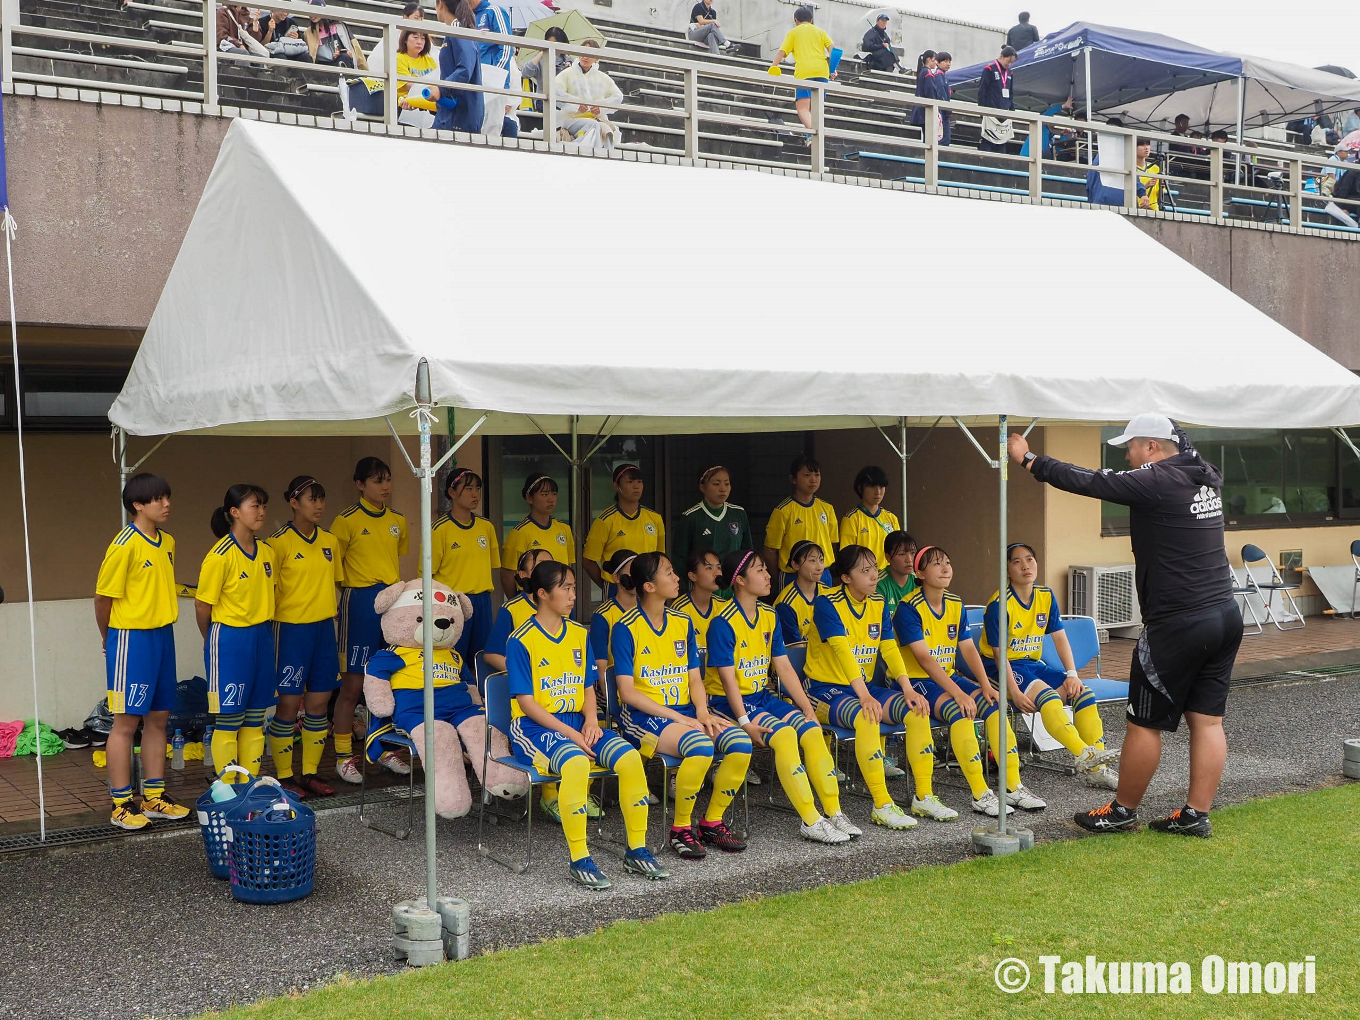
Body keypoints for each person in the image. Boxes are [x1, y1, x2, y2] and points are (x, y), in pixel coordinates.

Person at [1009, 414, 1244, 837]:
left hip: (1178, 622)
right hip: (1225, 614)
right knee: (1207, 721)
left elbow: (1090, 481)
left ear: (1152, 446)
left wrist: (1028, 460)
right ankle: (1196, 815)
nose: (1126, 456)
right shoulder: (1201, 473)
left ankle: (1122, 811)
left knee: (1143, 722)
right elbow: (1174, 447)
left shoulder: (1156, 479)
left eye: (1130, 447)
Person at [507, 561, 670, 887]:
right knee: (577, 763)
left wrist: (592, 722)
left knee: (630, 759)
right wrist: (571, 733)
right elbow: (527, 704)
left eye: (573, 587)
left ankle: (636, 851)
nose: (573, 595)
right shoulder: (520, 640)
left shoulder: (579, 634)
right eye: (565, 588)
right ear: (542, 593)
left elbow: (586, 690)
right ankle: (580, 858)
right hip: (533, 728)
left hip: (580, 722)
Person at [706, 550, 858, 843]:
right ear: (739, 580)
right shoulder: (722, 622)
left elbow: (784, 667)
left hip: (762, 696)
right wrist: (744, 721)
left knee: (812, 731)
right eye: (760, 570)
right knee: (786, 736)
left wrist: (806, 707)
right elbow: (727, 681)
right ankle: (810, 820)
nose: (767, 576)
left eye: (766, 569)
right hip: (728, 703)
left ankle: (834, 812)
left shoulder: (768, 614)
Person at [612, 553, 751, 858]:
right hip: (643, 718)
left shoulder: (682, 622)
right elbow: (627, 693)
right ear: (648, 586)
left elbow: (695, 680)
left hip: (686, 713)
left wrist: (701, 713)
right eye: (669, 573)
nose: (676, 578)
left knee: (740, 742)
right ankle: (680, 829)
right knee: (700, 746)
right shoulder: (625, 627)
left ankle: (712, 822)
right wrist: (679, 717)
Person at [892, 545, 1041, 817]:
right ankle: (980, 793)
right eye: (937, 564)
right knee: (960, 709)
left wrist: (985, 684)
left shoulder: (955, 602)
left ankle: (1013, 786)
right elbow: (924, 659)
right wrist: (960, 693)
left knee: (995, 705)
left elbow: (968, 648)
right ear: (920, 572)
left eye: (948, 562)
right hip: (917, 682)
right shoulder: (907, 608)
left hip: (946, 678)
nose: (946, 568)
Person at [802, 545, 935, 829]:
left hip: (862, 688)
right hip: (825, 690)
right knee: (868, 716)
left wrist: (907, 688)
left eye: (875, 567)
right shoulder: (828, 603)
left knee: (917, 710)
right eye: (865, 570)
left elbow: (889, 649)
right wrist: (864, 696)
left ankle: (924, 796)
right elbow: (842, 653)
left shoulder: (877, 602)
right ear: (846, 578)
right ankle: (882, 804)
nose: (874, 574)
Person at [978, 543, 1121, 790]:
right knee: (1048, 697)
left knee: (1082, 692)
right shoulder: (1000, 603)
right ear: (1007, 571)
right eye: (1017, 561)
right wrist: (1015, 692)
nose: (1025, 565)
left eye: (1030, 559)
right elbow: (999, 656)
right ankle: (1082, 755)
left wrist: (1072, 674)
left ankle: (1097, 768)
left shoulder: (1045, 595)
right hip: (999, 667)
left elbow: (1060, 637)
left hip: (1032, 664)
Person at [93, 473, 190, 830]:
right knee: (125, 723)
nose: (166, 504)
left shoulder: (168, 542)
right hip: (131, 638)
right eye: (157, 499)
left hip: (162, 636)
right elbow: (103, 598)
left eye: (167, 497)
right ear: (137, 504)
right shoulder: (123, 544)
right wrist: (109, 638)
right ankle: (121, 803)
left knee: (159, 719)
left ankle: (154, 797)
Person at [330, 457, 411, 784]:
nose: (385, 486)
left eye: (388, 479)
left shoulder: (399, 521)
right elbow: (335, 571)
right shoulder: (345, 521)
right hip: (359, 602)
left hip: (391, 602)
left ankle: (385, 748)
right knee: (353, 683)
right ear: (360, 484)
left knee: (387, 681)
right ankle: (342, 756)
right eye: (378, 481)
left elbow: (395, 558)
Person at [263, 476, 343, 799]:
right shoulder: (277, 542)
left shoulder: (330, 541)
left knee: (319, 703)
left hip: (323, 629)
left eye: (322, 499)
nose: (319, 505)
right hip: (290, 630)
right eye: (312, 499)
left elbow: (336, 582)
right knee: (288, 702)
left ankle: (310, 772)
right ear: (294, 503)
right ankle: (285, 775)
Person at [196, 484, 277, 786]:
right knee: (229, 720)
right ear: (234, 512)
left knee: (255, 720)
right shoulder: (220, 555)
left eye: (263, 506)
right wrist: (212, 639)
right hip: (230, 639)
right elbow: (203, 606)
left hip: (263, 637)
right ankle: (227, 790)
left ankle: (249, 787)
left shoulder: (267, 551)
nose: (262, 512)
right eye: (255, 506)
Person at [432, 468, 501, 666]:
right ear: (452, 493)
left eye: (478, 488)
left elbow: (493, 565)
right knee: (453, 659)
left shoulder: (486, 527)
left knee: (482, 659)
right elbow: (429, 575)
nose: (475, 494)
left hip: (482, 601)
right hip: (453, 603)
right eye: (468, 488)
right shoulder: (439, 529)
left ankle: (479, 697)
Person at [583, 463, 664, 594]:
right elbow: (588, 561)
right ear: (616, 486)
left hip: (648, 586)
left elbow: (660, 557)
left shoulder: (655, 518)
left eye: (639, 482)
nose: (636, 486)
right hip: (618, 587)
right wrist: (607, 585)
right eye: (630, 482)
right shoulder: (605, 520)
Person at [672, 465, 753, 591]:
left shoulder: (739, 513)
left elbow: (747, 552)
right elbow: (680, 559)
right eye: (716, 484)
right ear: (702, 487)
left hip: (733, 587)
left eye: (727, 484)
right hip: (702, 589)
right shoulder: (690, 517)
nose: (722, 489)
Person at [762, 454, 836, 587]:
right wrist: (777, 577)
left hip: (823, 573)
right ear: (793, 479)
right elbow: (770, 550)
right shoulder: (783, 511)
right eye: (807, 475)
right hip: (792, 575)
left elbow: (832, 543)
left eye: (817, 474)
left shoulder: (827, 508)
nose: (813, 479)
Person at [500, 473, 575, 598]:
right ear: (530, 498)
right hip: (533, 597)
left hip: (562, 597)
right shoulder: (520, 532)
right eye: (545, 494)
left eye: (554, 494)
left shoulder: (564, 529)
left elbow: (569, 566)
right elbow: (507, 574)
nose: (551, 499)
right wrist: (517, 603)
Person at [766, 7, 834, 139]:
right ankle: (812, 135)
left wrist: (772, 67)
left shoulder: (794, 33)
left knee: (802, 108)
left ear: (796, 20)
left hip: (804, 71)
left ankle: (815, 135)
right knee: (815, 108)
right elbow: (833, 49)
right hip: (822, 71)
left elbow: (782, 52)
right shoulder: (820, 32)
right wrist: (832, 68)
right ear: (811, 20)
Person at [555, 40, 624, 151]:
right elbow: (555, 90)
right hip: (572, 118)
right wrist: (575, 104)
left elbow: (618, 96)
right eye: (583, 53)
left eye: (589, 54)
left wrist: (601, 107)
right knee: (594, 126)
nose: (585, 57)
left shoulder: (603, 78)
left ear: (596, 58)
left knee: (608, 132)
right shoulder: (568, 73)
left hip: (596, 119)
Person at [432, 0, 484, 134]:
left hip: (459, 115)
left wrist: (441, 89)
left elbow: (465, 70)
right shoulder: (456, 31)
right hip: (454, 113)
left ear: (441, 4)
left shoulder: (458, 31)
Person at [670, 549, 729, 662]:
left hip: (720, 678)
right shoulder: (679, 609)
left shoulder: (724, 607)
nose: (717, 573)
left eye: (718, 567)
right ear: (692, 576)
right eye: (709, 568)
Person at [839, 465, 899, 572]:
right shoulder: (851, 519)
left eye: (881, 487)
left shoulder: (891, 518)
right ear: (860, 488)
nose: (878, 492)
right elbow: (847, 557)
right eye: (872, 486)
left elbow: (898, 551)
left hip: (888, 578)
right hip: (863, 576)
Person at [774, 539, 829, 645]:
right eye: (812, 560)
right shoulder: (785, 604)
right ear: (795, 565)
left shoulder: (829, 594)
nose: (819, 567)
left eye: (821, 560)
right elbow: (795, 648)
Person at [471, 0, 513, 137]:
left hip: (494, 85)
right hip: (473, 83)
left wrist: (495, 76)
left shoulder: (494, 11)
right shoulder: (467, 16)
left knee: (491, 131)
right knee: (474, 130)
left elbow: (507, 47)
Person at [395, 27, 441, 127]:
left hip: (427, 103)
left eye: (423, 38)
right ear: (405, 39)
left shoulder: (430, 61)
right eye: (415, 37)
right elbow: (407, 85)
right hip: (403, 103)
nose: (419, 42)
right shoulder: (399, 58)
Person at [520, 26, 570, 113]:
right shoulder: (540, 59)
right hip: (543, 101)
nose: (553, 46)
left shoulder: (569, 60)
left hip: (563, 103)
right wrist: (542, 52)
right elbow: (525, 73)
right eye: (549, 43)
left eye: (556, 43)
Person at [977, 45, 1017, 152]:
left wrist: (1011, 109)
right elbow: (982, 91)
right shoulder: (989, 69)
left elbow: (1011, 92)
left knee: (1002, 144)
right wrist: (982, 110)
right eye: (1008, 61)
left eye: (1011, 62)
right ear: (1001, 56)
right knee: (988, 141)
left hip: (1004, 113)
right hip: (990, 112)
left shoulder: (1010, 72)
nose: (1009, 64)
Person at [305, 0, 367, 68]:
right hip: (321, 66)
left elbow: (355, 48)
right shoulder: (308, 32)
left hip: (339, 62)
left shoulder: (339, 26)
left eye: (314, 11)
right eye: (309, 11)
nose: (311, 16)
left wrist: (345, 54)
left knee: (345, 57)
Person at [875, 530, 918, 618]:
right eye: (902, 554)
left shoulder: (920, 581)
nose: (909, 559)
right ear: (888, 557)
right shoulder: (878, 584)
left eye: (913, 553)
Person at [1136, 138, 1162, 211]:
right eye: (1141, 145)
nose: (1146, 147)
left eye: (1148, 144)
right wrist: (1145, 186)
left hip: (1154, 209)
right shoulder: (1130, 168)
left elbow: (1159, 196)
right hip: (1137, 208)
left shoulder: (1156, 168)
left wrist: (1161, 187)